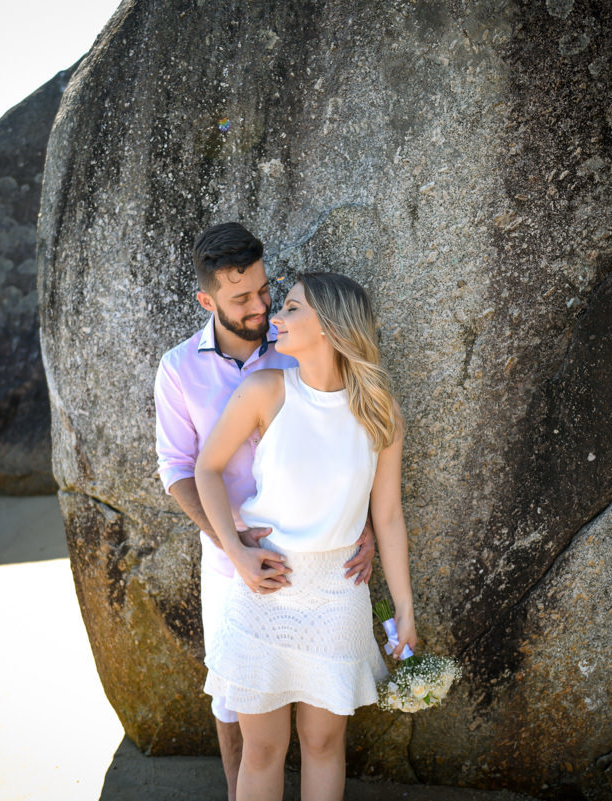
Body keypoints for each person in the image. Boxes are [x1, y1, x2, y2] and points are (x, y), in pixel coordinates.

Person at [153, 223, 375, 801]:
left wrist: (365, 525)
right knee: (238, 711)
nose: (260, 307)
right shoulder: (178, 369)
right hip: (228, 562)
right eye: (240, 299)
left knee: (320, 727)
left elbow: (350, 438)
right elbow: (179, 468)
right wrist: (232, 546)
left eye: (263, 290)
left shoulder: (296, 342)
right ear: (207, 302)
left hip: (319, 566)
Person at [195, 272, 418, 801]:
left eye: (292, 308)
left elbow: (388, 516)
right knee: (262, 749)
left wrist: (405, 610)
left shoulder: (379, 410)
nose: (276, 316)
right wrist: (236, 550)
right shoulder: (265, 390)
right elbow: (206, 469)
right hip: (264, 590)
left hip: (338, 594)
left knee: (323, 743)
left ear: (330, 326)